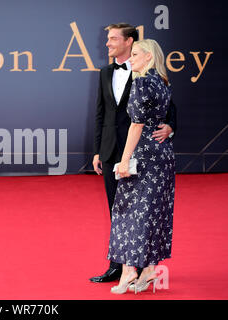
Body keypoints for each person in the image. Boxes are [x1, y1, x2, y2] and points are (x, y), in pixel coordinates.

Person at [90, 23, 177, 283]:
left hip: (138, 152)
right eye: (108, 38)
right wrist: (97, 151)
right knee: (116, 210)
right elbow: (101, 113)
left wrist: (171, 127)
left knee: (137, 211)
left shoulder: (147, 74)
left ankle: (135, 267)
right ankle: (118, 266)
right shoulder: (105, 72)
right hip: (110, 149)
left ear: (129, 42)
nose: (108, 43)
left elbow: (169, 107)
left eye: (113, 38)